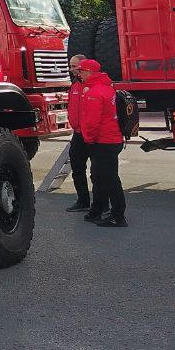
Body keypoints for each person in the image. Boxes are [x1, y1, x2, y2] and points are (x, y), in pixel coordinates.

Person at [77, 58, 127, 228]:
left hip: (102, 141)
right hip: (112, 139)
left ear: (90, 72)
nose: (79, 74)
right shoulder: (107, 88)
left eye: (81, 70)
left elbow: (92, 121)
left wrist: (88, 139)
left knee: (107, 178)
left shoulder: (94, 93)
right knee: (102, 177)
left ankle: (118, 215)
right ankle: (97, 211)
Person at [64, 54, 91, 212]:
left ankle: (103, 203)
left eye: (74, 66)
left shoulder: (91, 85)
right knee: (77, 167)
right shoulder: (75, 85)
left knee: (98, 172)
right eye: (71, 66)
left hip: (91, 133)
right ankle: (83, 200)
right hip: (78, 133)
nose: (71, 69)